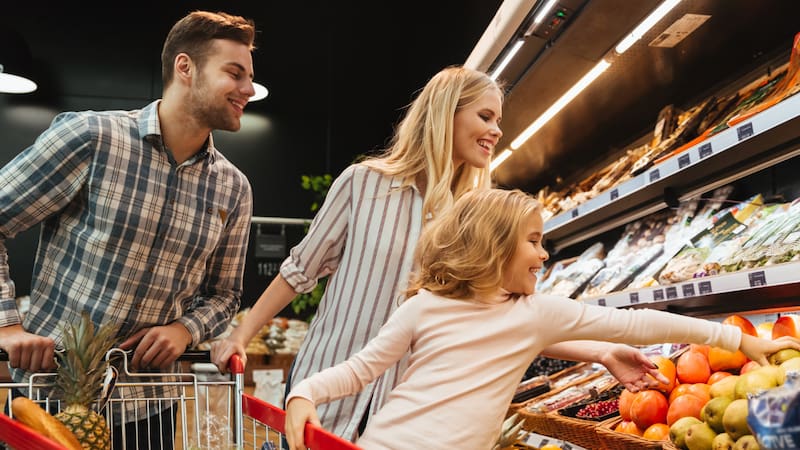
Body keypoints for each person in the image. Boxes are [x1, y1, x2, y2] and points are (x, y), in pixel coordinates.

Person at [211, 65, 668, 441]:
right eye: (486, 116)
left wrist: (603, 353)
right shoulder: (364, 184)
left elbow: (508, 319)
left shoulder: (471, 219)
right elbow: (300, 269)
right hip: (329, 387)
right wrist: (241, 333)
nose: (496, 130)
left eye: (498, 120)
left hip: (406, 408)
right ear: (447, 113)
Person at [283, 188, 800, 450]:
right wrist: (305, 393)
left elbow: (638, 323)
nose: (545, 255)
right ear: (490, 248)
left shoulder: (535, 314)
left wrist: (732, 337)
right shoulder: (422, 307)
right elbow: (361, 370)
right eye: (533, 241)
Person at [0, 10, 256, 450]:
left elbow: (225, 294)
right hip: (52, 399)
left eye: (249, 77)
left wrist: (186, 329)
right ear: (185, 67)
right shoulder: (92, 138)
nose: (248, 90)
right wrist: (6, 326)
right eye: (234, 73)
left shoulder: (233, 188)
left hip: (151, 406)